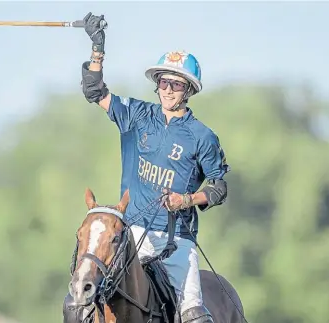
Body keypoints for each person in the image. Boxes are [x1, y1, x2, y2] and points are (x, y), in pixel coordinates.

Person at [74, 12, 230, 323]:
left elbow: (218, 187)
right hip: (128, 235)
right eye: (164, 82)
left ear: (188, 90)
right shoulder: (137, 115)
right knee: (78, 302)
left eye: (176, 84)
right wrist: (97, 48)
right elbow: (94, 90)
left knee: (196, 317)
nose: (168, 90)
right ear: (156, 84)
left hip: (176, 243)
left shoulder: (203, 137)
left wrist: (186, 200)